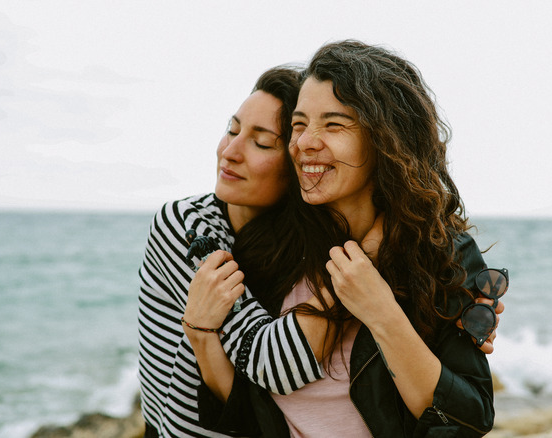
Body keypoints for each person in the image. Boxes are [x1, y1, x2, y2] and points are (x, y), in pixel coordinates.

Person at [187, 40, 501, 437]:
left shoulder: (442, 255)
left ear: (386, 140)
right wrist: (200, 333)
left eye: (333, 124)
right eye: (298, 125)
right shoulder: (269, 246)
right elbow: (248, 412)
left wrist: (382, 312)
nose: (304, 143)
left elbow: (469, 419)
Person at [136, 66, 317, 437]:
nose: (230, 151)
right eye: (232, 130)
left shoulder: (301, 246)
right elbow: (275, 365)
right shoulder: (184, 225)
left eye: (261, 143)